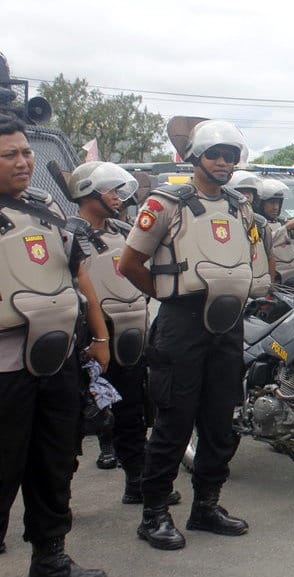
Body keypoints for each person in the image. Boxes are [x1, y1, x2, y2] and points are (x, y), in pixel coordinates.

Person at [120, 119, 256, 551]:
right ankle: (154, 514)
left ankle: (206, 507)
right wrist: (166, 295)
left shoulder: (240, 206)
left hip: (228, 324)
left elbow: (254, 257)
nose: (222, 162)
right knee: (173, 421)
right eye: (214, 153)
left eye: (230, 156)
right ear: (195, 156)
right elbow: (129, 263)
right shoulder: (166, 203)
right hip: (182, 323)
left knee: (220, 422)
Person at [0, 114, 109, 576]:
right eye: (10, 154)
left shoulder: (45, 209)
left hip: (58, 359)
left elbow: (78, 273)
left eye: (26, 152)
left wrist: (100, 335)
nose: (24, 161)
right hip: (5, 368)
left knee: (55, 463)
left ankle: (50, 559)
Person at [66, 162, 183, 508]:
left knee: (132, 412)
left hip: (132, 330)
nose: (118, 198)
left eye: (119, 191)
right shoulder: (67, 233)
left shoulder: (123, 229)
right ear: (87, 192)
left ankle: (137, 481)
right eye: (110, 191)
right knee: (74, 422)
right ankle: (58, 497)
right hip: (90, 338)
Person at [226, 170, 274, 297]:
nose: (245, 195)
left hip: (257, 288)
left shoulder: (260, 223)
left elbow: (270, 256)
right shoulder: (225, 220)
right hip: (232, 287)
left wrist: (270, 290)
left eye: (249, 191)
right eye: (241, 191)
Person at [256, 178, 294, 285]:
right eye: (272, 203)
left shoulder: (281, 221)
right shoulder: (257, 224)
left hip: (293, 275)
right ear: (261, 203)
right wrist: (286, 228)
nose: (276, 207)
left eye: (278, 203)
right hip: (274, 276)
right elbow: (264, 242)